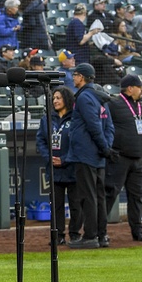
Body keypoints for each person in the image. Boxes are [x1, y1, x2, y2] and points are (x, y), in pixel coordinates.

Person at [105, 74, 142, 242]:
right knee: (109, 195)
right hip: (119, 157)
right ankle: (99, 231)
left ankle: (138, 231)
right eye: (139, 87)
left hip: (138, 158)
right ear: (130, 88)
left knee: (136, 197)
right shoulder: (113, 104)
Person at [65, 63, 114, 249]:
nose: (73, 78)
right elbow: (109, 126)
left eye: (75, 75)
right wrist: (106, 148)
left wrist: (104, 147)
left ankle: (91, 236)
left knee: (89, 197)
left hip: (86, 153)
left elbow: (94, 125)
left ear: (83, 77)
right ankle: (102, 236)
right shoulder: (100, 95)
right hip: (98, 154)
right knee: (99, 197)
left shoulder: (85, 96)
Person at [36, 86, 80, 244]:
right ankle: (58, 235)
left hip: (72, 167)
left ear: (67, 99)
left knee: (76, 204)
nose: (55, 101)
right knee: (56, 205)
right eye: (53, 98)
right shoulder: (46, 118)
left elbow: (78, 143)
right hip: (53, 169)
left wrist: (65, 159)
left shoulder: (76, 118)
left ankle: (75, 234)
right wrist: (49, 157)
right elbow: (40, 140)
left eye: (58, 98)